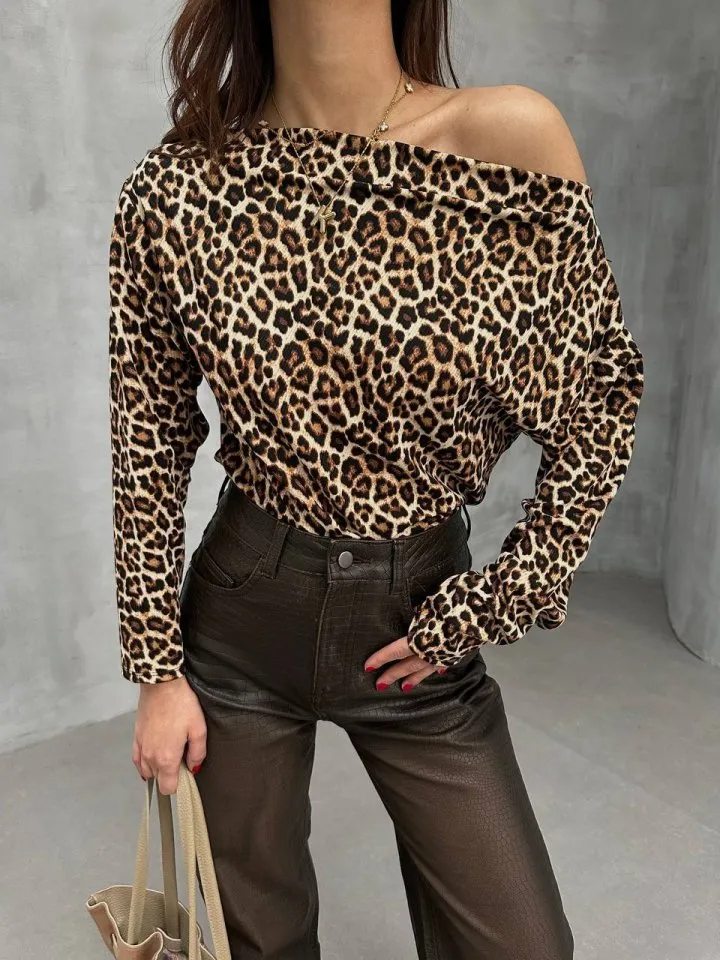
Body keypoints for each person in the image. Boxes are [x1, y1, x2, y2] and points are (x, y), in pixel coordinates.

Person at [107, 1, 645, 956]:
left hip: (413, 614)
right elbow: (146, 444)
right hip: (240, 622)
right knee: (257, 944)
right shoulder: (178, 186)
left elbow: (599, 395)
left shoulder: (504, 142)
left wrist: (498, 598)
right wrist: (156, 672)